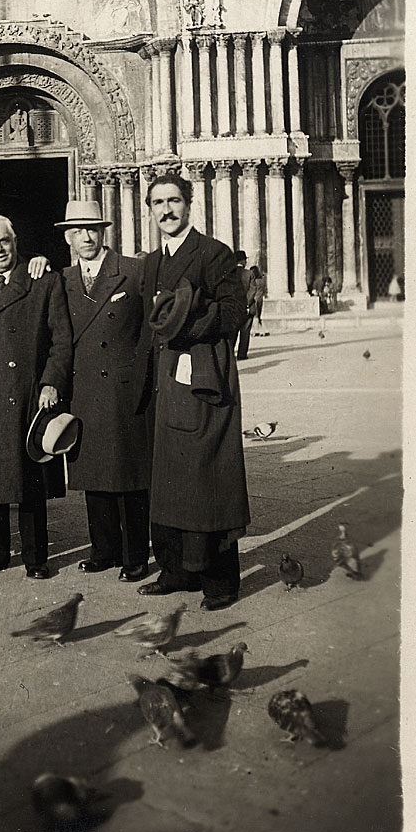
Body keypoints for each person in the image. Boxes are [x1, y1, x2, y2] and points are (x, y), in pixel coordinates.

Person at [135, 175, 249, 611]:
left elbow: (235, 311)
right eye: (158, 202)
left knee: (209, 476)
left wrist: (190, 317)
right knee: (170, 478)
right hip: (168, 379)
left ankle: (220, 582)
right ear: (148, 209)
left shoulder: (213, 253)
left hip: (203, 377)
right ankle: (176, 571)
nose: (166, 210)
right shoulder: (151, 262)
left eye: (174, 201)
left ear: (189, 204)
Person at [0, 215, 72, 580]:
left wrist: (51, 382)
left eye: (3, 242)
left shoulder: (42, 279)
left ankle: (36, 556)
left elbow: (61, 339)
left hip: (26, 392)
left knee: (30, 479)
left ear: (15, 240)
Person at [58, 200, 150, 582]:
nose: (86, 236)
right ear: (67, 237)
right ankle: (103, 549)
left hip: (122, 389)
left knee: (128, 476)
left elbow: (148, 329)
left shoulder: (131, 270)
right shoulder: (61, 278)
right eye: (78, 230)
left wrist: (142, 379)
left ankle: (135, 555)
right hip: (84, 388)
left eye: (92, 228)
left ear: (104, 231)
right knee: (93, 474)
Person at [234, 251, 255, 361]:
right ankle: (242, 354)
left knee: (232, 332)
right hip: (247, 308)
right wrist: (246, 304)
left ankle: (230, 353)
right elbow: (252, 290)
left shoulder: (230, 273)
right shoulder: (249, 274)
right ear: (243, 261)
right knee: (245, 332)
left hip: (234, 308)